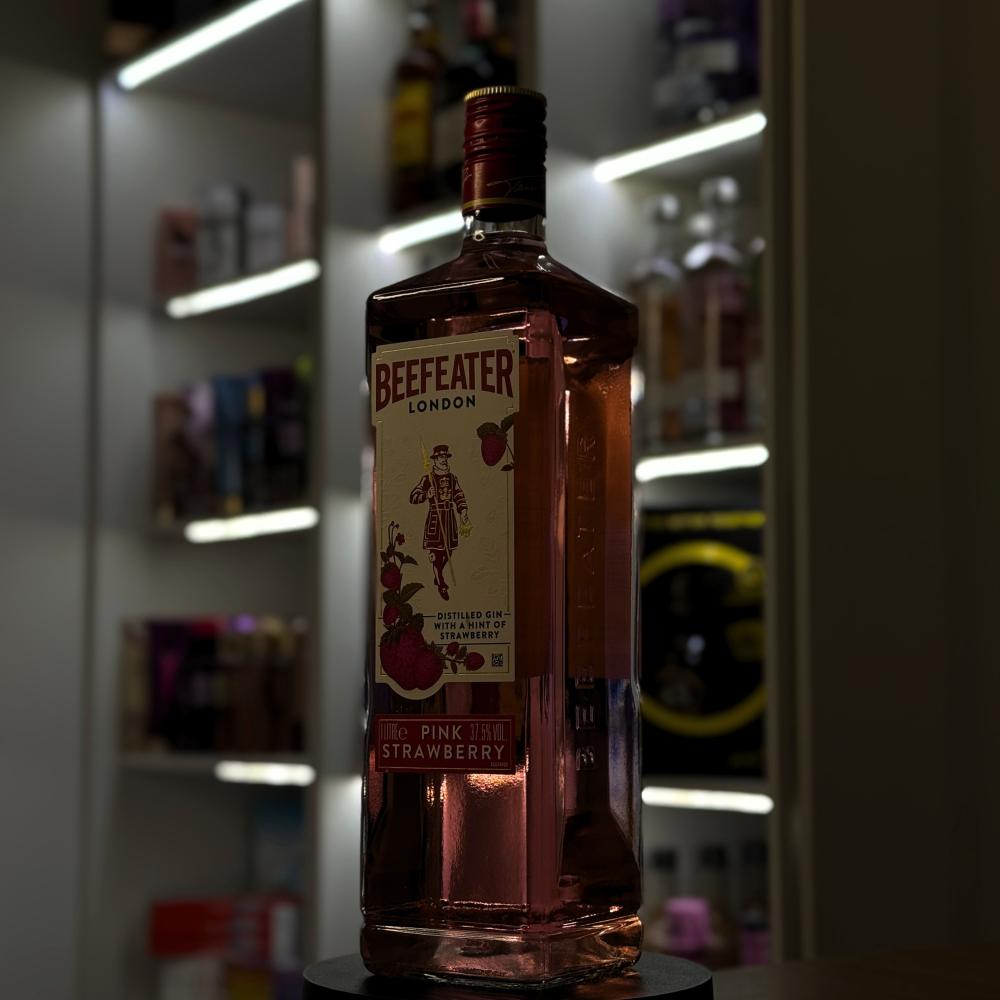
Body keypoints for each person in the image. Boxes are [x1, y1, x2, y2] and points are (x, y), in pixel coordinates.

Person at [410, 444, 470, 600]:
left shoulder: (452, 478)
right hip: (435, 520)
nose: (443, 460)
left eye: (445, 457)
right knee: (436, 555)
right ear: (435, 460)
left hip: (449, 519)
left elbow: (459, 495)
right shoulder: (428, 478)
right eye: (440, 457)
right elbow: (413, 496)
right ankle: (441, 584)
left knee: (449, 552)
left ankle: (438, 575)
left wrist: (463, 511)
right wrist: (426, 495)